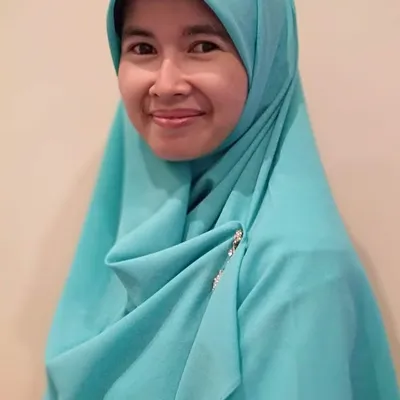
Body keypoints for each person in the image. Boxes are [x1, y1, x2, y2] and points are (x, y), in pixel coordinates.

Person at [44, 0, 399, 398]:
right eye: (143, 48)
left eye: (203, 46)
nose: (166, 84)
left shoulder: (296, 270)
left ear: (263, 60)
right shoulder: (131, 223)